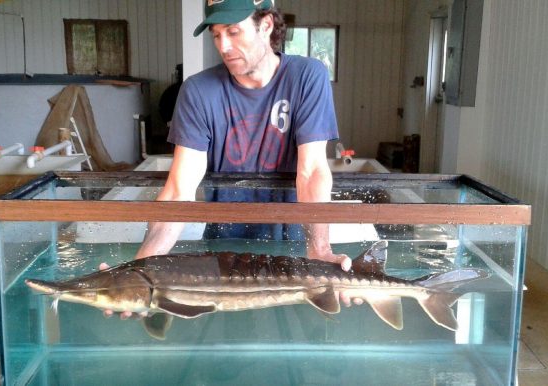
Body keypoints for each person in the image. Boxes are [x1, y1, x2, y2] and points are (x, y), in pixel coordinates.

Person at [104, 0, 362, 319]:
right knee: (227, 354)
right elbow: (178, 191)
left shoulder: (307, 76)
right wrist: (140, 271)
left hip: (293, 244)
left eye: (233, 31)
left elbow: (311, 171)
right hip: (222, 252)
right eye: (216, 35)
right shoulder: (198, 91)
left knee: (297, 339)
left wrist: (320, 249)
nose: (223, 46)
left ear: (266, 25)